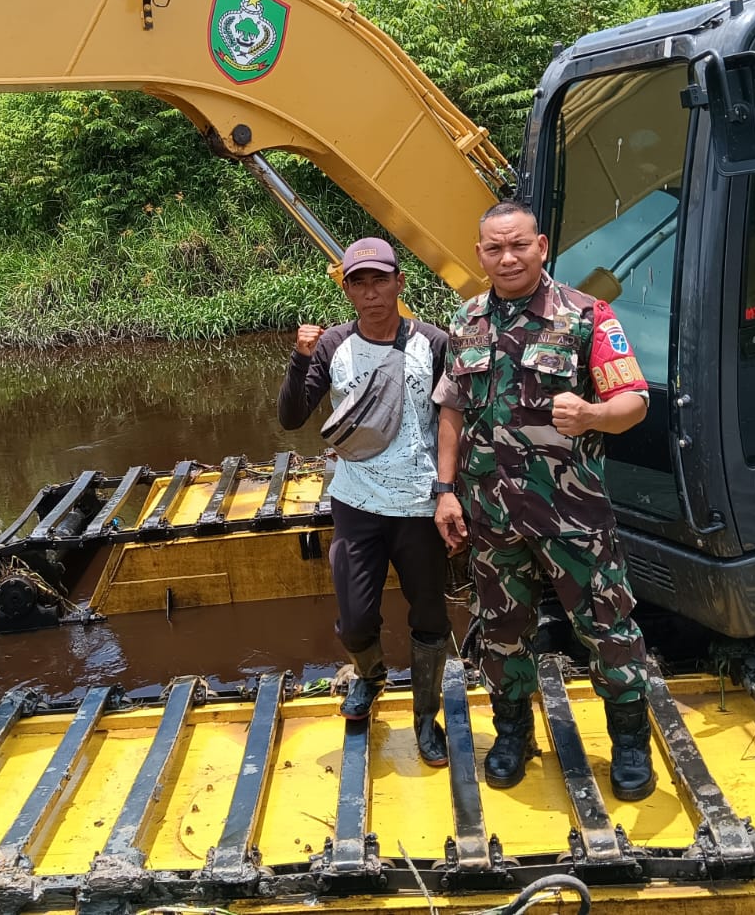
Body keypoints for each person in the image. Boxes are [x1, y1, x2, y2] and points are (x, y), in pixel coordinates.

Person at [432, 201, 656, 800]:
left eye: (519, 245)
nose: (508, 257)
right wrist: (445, 491)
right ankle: (512, 735)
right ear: (480, 254)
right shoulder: (467, 320)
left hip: (572, 515)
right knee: (502, 632)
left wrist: (591, 414)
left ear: (542, 245)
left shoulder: (586, 316)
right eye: (495, 248)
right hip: (492, 515)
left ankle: (630, 743)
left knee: (607, 629)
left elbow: (634, 402)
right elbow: (451, 409)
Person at [278, 236, 466, 767]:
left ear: (399, 283)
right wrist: (299, 358)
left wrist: (450, 493)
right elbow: (292, 418)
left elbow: (454, 420)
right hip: (356, 503)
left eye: (380, 280)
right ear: (347, 290)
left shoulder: (432, 343)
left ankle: (426, 719)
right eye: (358, 283)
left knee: (429, 615)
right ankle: (370, 674)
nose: (370, 293)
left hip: (418, 504)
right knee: (356, 618)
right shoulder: (334, 344)